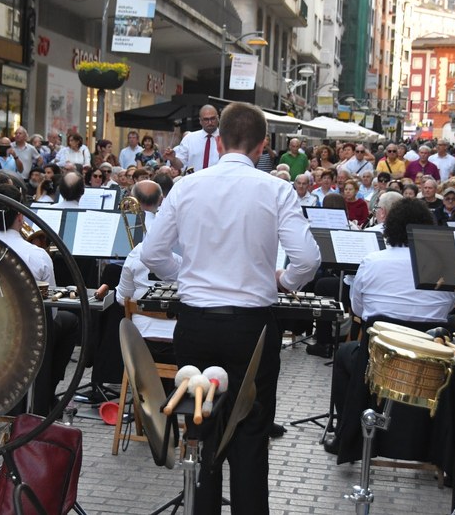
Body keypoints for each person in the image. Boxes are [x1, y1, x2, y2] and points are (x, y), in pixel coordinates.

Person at [142, 102, 320, 515]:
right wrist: (284, 281)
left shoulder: (186, 186)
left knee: (201, 428)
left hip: (197, 321)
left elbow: (153, 253)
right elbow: (307, 260)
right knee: (251, 434)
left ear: (218, 141)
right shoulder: (276, 189)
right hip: (251, 327)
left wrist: (186, 274)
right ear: (262, 147)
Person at [0, 183, 78, 415]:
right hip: (27, 331)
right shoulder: (37, 255)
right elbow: (53, 307)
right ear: (20, 216)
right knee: (68, 321)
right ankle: (46, 392)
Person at [116, 181, 178, 363]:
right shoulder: (187, 254)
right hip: (179, 335)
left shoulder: (136, 253)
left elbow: (122, 299)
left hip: (140, 338)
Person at [164, 105, 220, 172]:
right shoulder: (189, 139)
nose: (210, 122)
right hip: (195, 180)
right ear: (200, 121)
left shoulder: (227, 138)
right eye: (206, 119)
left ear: (218, 118)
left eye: (212, 119)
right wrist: (173, 159)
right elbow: (179, 165)